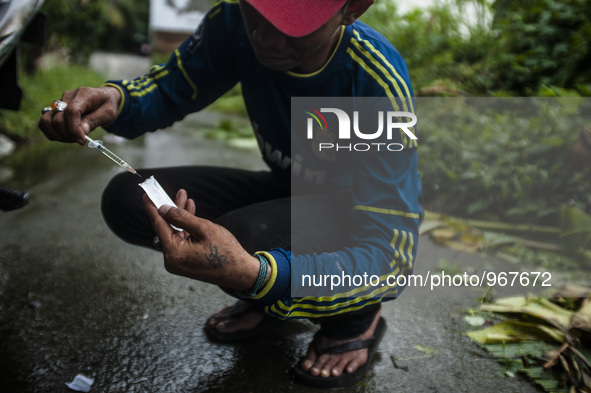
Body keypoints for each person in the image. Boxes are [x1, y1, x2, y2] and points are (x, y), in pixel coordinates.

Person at [38, 0, 422, 388]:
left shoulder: (374, 80)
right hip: (287, 188)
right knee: (130, 199)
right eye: (258, 12)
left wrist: (259, 276)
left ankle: (355, 318)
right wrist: (118, 100)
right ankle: (270, 299)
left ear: (352, 9)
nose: (264, 37)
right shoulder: (232, 23)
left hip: (349, 215)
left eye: (294, 25)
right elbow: (174, 84)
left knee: (247, 245)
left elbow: (391, 254)